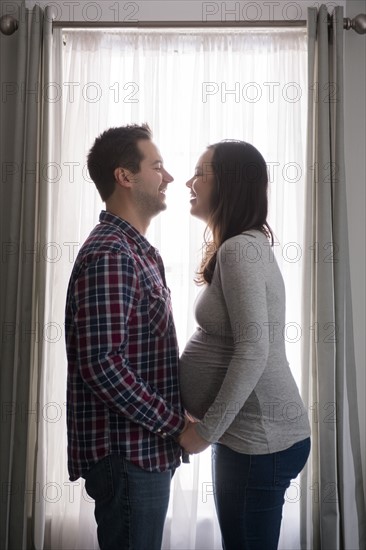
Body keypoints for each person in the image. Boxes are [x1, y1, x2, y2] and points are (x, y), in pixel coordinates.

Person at [179, 140, 311, 550]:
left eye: (201, 173)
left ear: (230, 185)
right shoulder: (243, 246)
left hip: (257, 440)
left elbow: (254, 350)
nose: (189, 181)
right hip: (247, 437)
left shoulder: (241, 250)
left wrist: (204, 433)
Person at [65, 124, 188, 550]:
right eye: (157, 166)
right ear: (125, 176)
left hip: (142, 452)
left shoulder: (136, 251)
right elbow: (102, 363)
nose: (168, 177)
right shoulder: (112, 254)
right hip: (128, 455)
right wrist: (175, 424)